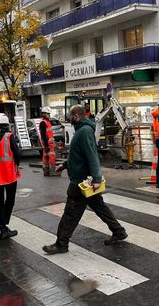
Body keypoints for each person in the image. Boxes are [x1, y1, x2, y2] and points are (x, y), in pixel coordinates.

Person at [43, 105, 127, 255]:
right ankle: (119, 231)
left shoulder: (85, 132)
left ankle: (61, 244)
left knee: (70, 213)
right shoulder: (82, 131)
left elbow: (91, 156)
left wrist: (96, 178)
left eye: (70, 115)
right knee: (100, 208)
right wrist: (65, 165)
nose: (69, 118)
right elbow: (78, 155)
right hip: (85, 180)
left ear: (76, 116)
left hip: (82, 182)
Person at [39, 106, 58, 177]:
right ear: (44, 114)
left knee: (46, 158)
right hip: (48, 144)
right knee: (51, 158)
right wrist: (47, 145)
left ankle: (46, 172)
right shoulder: (43, 123)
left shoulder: (46, 122)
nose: (49, 115)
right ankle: (52, 172)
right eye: (48, 114)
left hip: (47, 144)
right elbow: (43, 135)